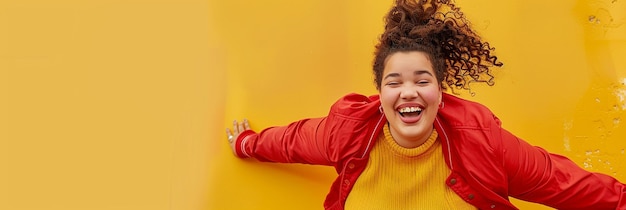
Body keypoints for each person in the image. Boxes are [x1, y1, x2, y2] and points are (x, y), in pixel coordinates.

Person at [225, 0, 626, 209]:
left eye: (422, 80)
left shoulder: (481, 141)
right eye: (394, 82)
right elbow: (295, 141)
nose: (408, 92)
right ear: (380, 95)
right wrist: (248, 144)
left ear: (440, 91)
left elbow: (561, 183)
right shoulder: (347, 130)